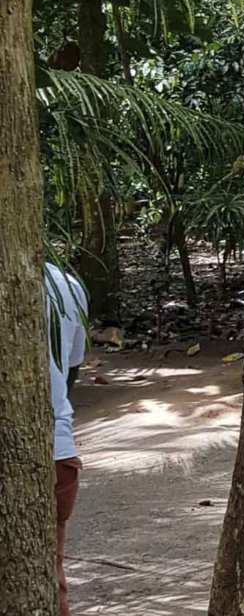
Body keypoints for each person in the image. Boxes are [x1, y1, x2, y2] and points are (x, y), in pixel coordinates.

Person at [46, 262, 89, 616]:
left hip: (52, 448)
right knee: (50, 574)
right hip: (58, 449)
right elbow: (71, 368)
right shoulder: (63, 283)